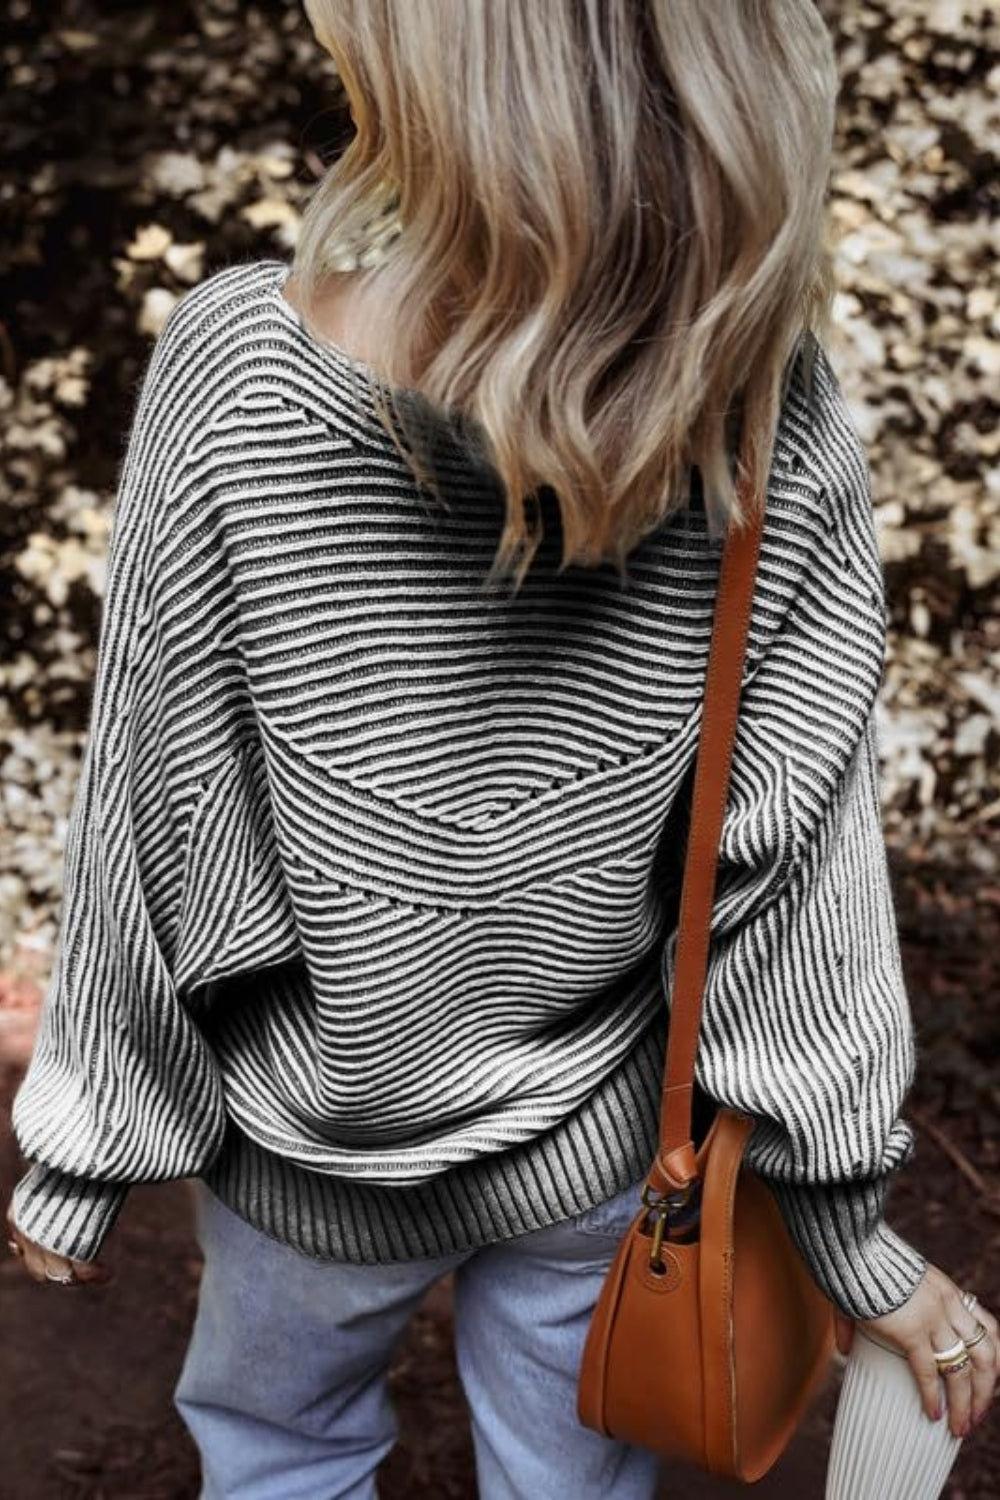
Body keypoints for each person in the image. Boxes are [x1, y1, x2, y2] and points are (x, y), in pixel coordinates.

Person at [5, 2, 997, 1496]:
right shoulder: (764, 410)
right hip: (600, 1144)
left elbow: (156, 794)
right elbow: (798, 873)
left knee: (279, 1456)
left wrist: (90, 1139)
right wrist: (846, 1230)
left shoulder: (234, 370)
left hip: (307, 1153)